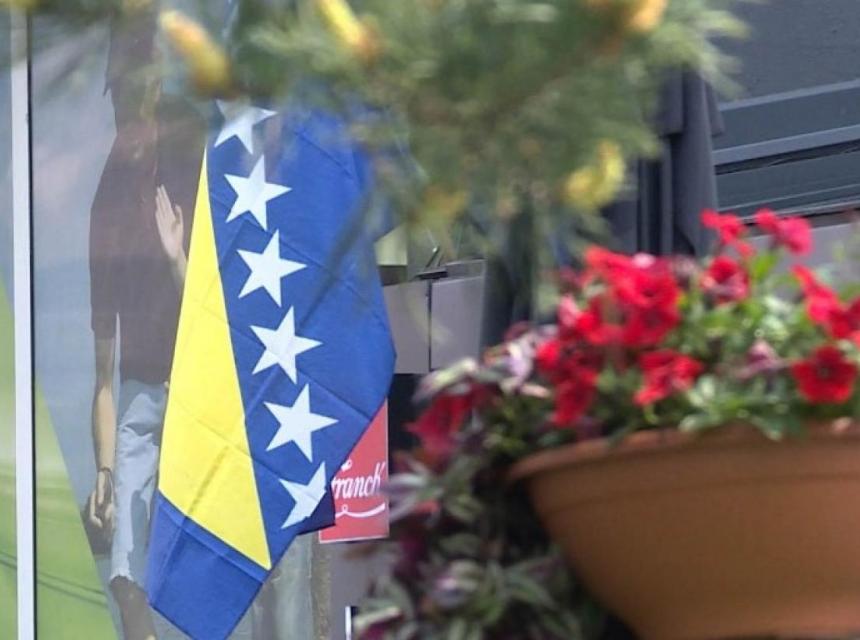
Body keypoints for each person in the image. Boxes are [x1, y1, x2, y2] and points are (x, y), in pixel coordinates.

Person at [84, 8, 207, 639]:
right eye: (117, 99)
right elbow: (103, 375)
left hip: (205, 383)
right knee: (124, 571)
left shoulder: (194, 148)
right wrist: (104, 473)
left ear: (156, 88)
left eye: (136, 95)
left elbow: (224, 311)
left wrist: (177, 258)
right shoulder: (108, 203)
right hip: (142, 389)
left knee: (208, 556)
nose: (125, 115)